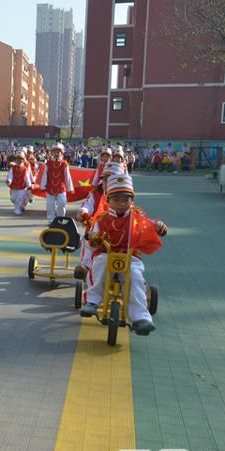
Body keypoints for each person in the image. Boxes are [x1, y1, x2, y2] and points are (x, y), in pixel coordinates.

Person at [80, 174, 168, 335]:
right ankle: (92, 301)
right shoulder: (102, 219)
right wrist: (92, 237)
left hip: (130, 257)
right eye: (116, 199)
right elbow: (93, 234)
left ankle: (141, 318)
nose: (121, 204)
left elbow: (150, 226)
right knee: (99, 264)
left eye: (126, 200)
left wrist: (158, 227)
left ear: (131, 201)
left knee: (135, 277)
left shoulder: (138, 217)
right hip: (107, 253)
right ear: (108, 200)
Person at [74, 162, 126, 279]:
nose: (106, 182)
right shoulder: (96, 193)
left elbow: (136, 214)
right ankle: (85, 267)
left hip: (119, 233)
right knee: (88, 241)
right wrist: (83, 212)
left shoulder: (126, 197)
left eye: (111, 179)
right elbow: (87, 205)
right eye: (105, 179)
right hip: (97, 230)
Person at [40, 143, 74, 224]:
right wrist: (43, 186)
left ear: (61, 153)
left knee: (62, 204)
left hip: (61, 188)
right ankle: (51, 220)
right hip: (50, 188)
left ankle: (60, 219)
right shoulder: (48, 163)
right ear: (52, 153)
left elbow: (67, 176)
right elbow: (45, 175)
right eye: (54, 151)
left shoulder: (64, 164)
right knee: (50, 205)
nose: (56, 153)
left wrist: (70, 188)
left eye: (58, 152)